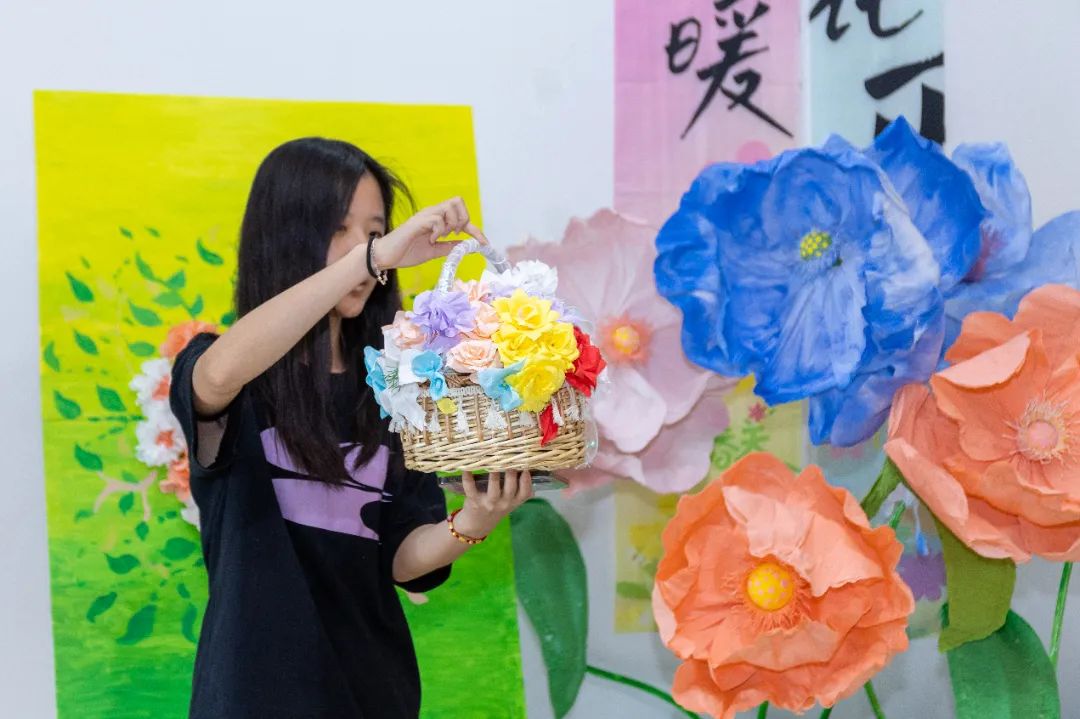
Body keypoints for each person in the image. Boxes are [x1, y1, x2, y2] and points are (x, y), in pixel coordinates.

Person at [169, 137, 533, 719]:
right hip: (252, 699)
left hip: (374, 695)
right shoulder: (232, 371)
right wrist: (369, 258)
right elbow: (215, 378)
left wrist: (473, 522)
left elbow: (399, 556)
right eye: (339, 229)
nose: (367, 249)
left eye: (375, 231)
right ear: (282, 236)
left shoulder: (396, 386)